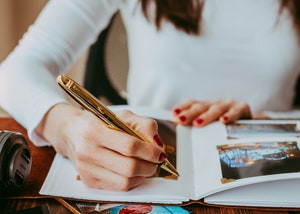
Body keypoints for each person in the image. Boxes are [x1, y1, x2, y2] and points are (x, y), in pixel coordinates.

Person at [0, 0, 299, 192]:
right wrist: (66, 127)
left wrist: (267, 122)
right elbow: (15, 70)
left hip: (269, 181)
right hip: (142, 182)